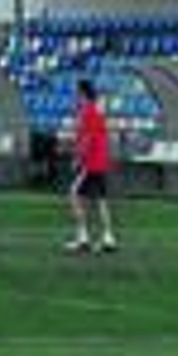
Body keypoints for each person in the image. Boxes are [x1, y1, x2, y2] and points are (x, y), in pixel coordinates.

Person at [67, 79, 119, 254]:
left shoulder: (88, 112)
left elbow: (87, 139)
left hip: (90, 163)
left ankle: (83, 238)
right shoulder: (96, 111)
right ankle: (108, 238)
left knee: (74, 195)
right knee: (100, 201)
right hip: (100, 162)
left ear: (83, 94)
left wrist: (78, 159)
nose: (75, 97)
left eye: (77, 93)